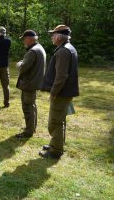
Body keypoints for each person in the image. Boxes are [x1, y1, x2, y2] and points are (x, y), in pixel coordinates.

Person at [40, 24, 79, 159]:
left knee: (55, 122)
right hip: (66, 92)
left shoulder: (63, 51)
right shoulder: (69, 48)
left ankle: (55, 150)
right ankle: (56, 144)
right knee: (59, 120)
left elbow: (61, 76)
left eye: (53, 34)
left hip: (62, 93)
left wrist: (54, 92)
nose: (51, 37)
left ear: (59, 37)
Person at [15, 30, 46, 138]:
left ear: (29, 39)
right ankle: (31, 127)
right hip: (33, 82)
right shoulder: (39, 48)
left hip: (29, 83)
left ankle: (28, 132)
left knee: (28, 107)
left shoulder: (33, 51)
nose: (24, 41)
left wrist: (19, 64)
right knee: (31, 106)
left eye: (24, 39)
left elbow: (23, 67)